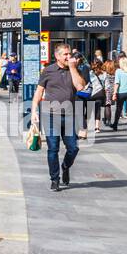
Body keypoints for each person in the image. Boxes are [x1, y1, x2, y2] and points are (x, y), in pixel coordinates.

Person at [30, 43, 86, 191]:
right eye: (65, 54)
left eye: (69, 54)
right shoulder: (48, 71)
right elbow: (39, 92)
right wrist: (34, 111)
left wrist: (73, 68)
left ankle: (65, 166)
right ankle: (54, 179)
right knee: (53, 149)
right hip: (50, 115)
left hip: (69, 115)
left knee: (73, 148)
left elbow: (80, 87)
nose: (69, 57)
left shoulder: (76, 70)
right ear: (57, 56)